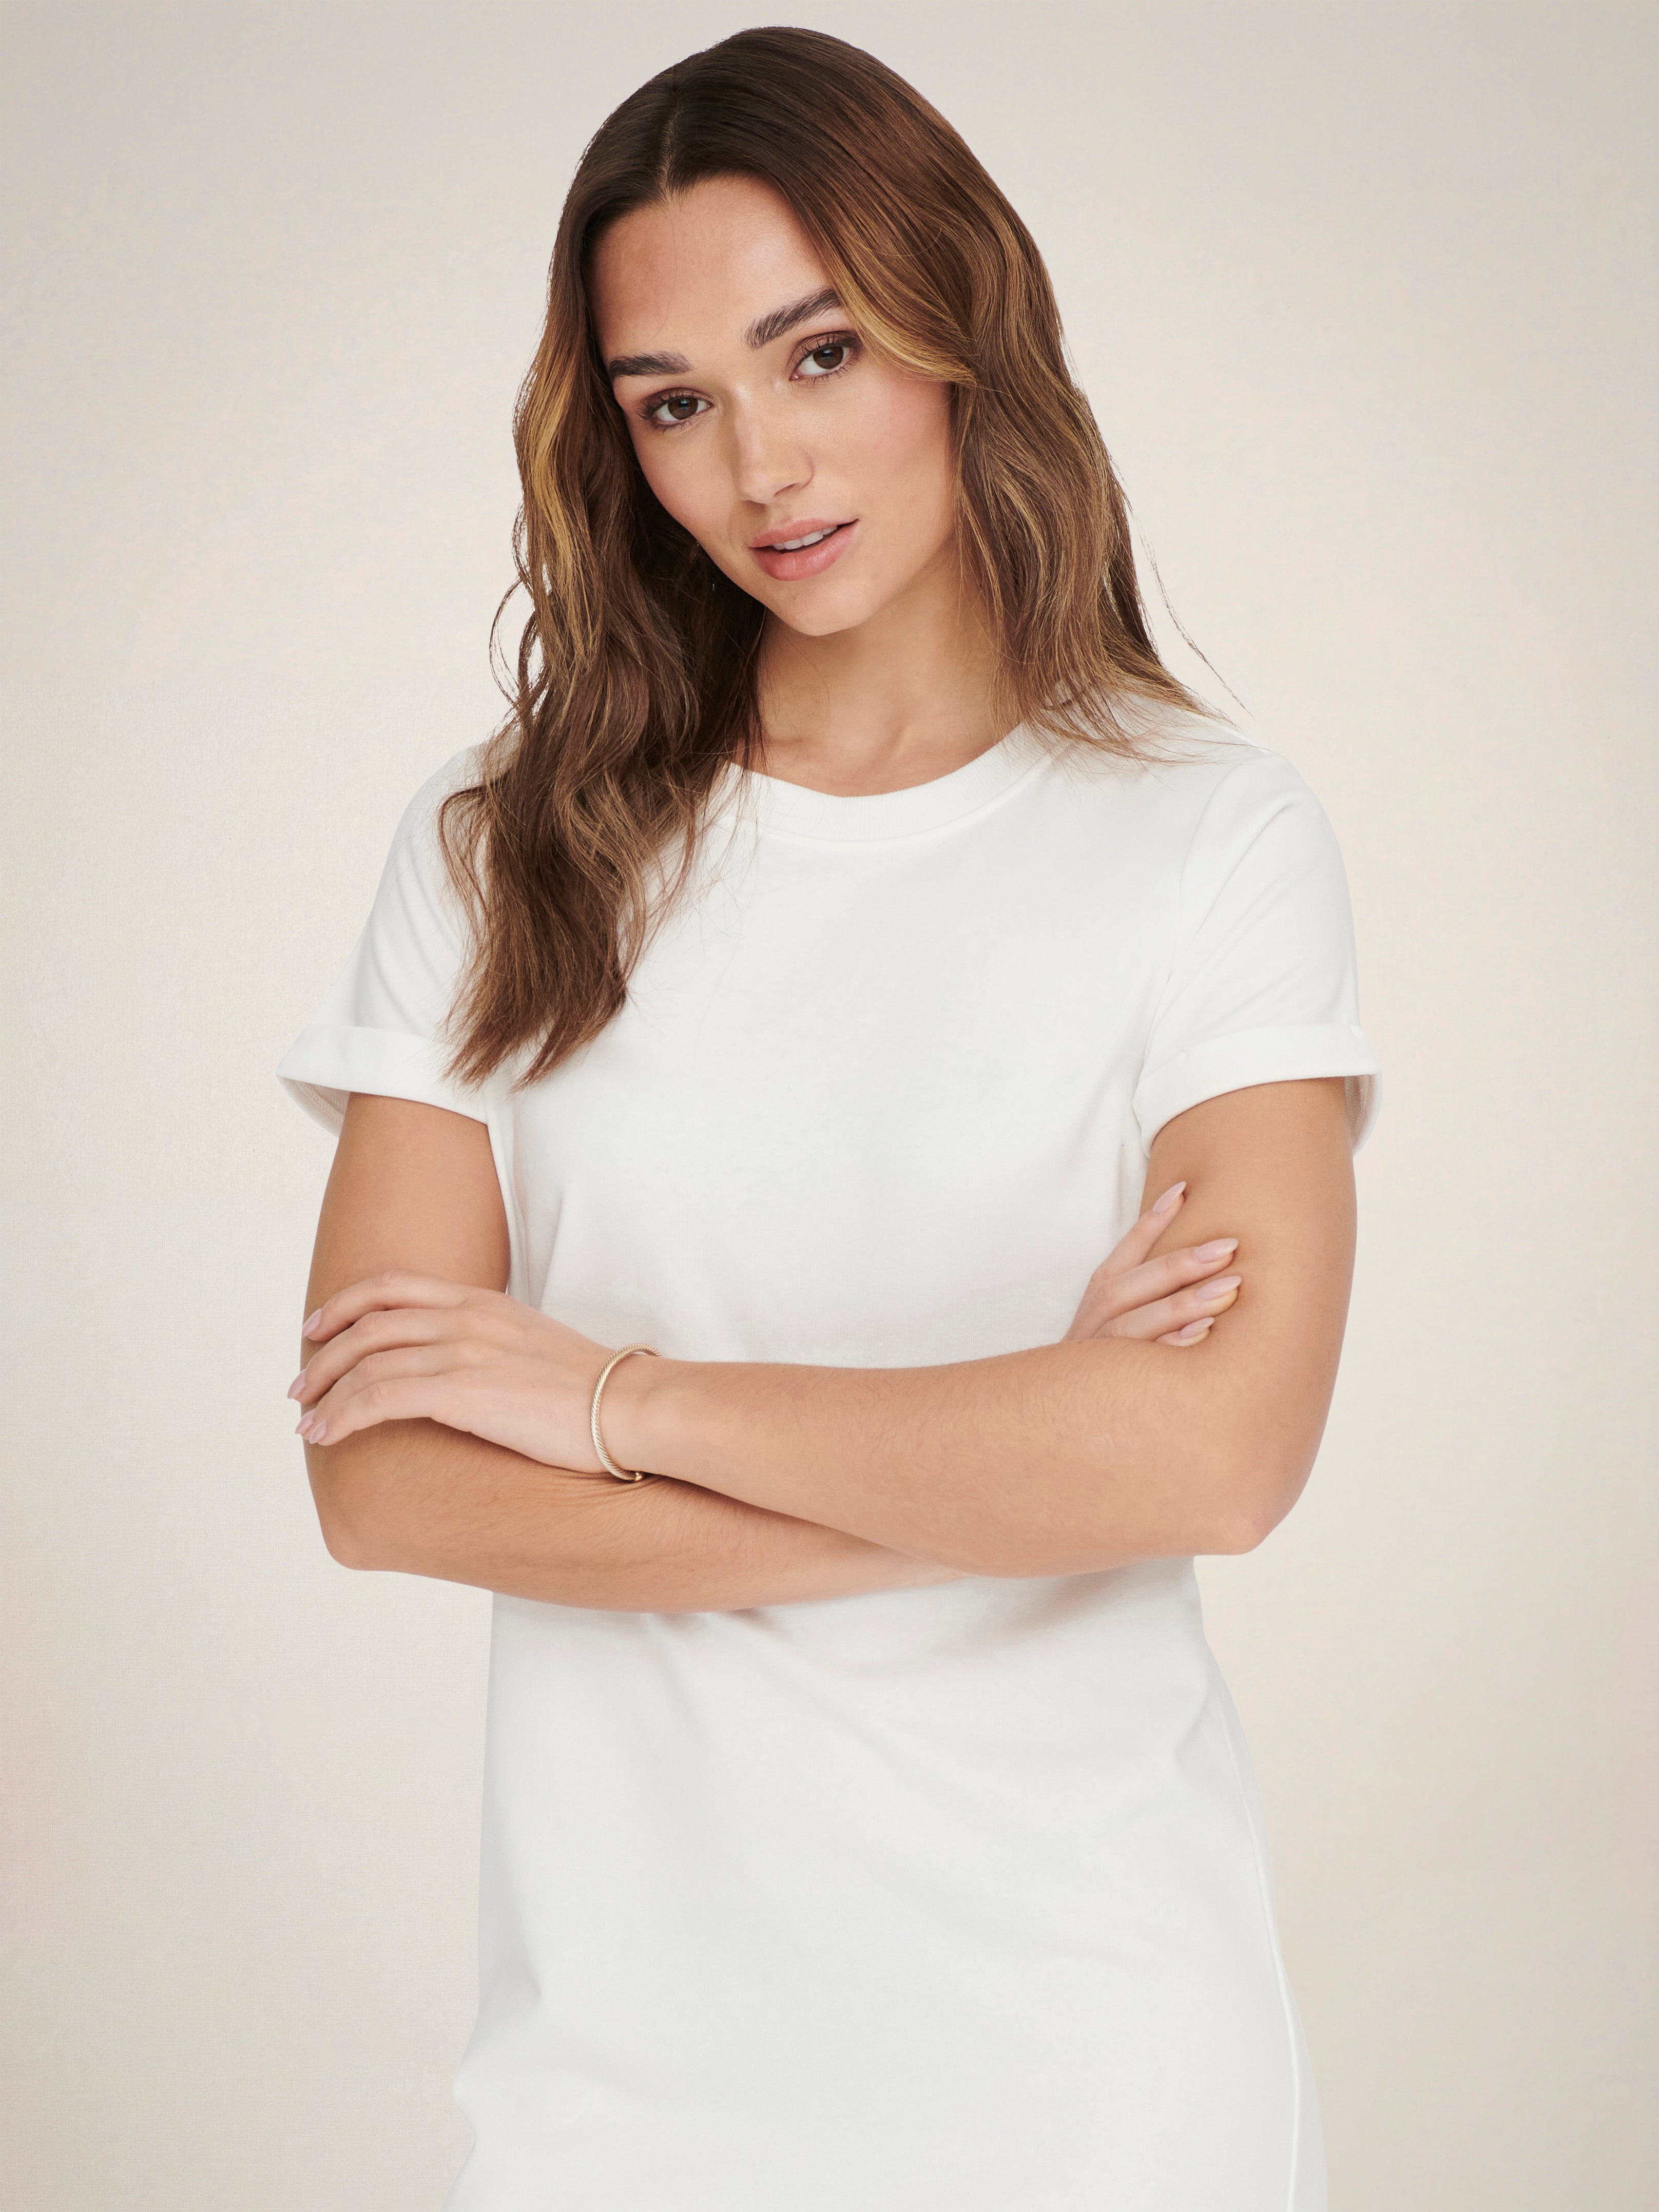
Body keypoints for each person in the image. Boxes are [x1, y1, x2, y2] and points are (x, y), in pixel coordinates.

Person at [278, 27, 1379, 2210]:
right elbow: (381, 1482)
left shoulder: (1208, 837)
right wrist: (1012, 1465)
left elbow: (1214, 1460)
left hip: (1092, 2057)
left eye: (819, 350)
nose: (759, 464)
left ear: (962, 326)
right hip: (615, 2076)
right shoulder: (510, 853)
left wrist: (614, 1404)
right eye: (672, 401)